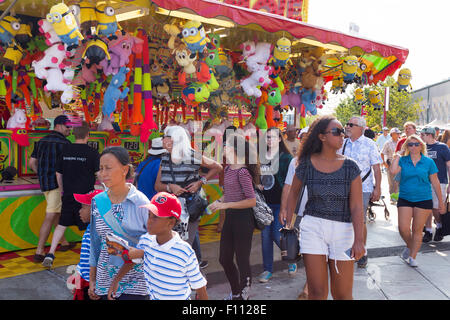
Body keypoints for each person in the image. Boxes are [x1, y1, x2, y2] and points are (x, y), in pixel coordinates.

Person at [286, 116, 365, 300]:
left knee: (343, 295)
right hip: (312, 228)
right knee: (317, 293)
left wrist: (359, 240)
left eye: (343, 132)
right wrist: (289, 222)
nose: (342, 136)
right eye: (337, 132)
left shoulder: (350, 167)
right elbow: (293, 192)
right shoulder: (306, 164)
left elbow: (356, 207)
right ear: (322, 137)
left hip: (344, 231)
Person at [109, 192, 208, 300]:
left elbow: (199, 287)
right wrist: (116, 280)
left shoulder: (184, 252)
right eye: (149, 215)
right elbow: (134, 259)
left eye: (155, 217)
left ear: (170, 223)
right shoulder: (146, 240)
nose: (149, 221)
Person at [88, 146, 150, 300]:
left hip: (135, 281)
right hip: (104, 279)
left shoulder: (140, 202)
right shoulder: (98, 201)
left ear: (124, 170)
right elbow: (95, 243)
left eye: (108, 168)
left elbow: (153, 243)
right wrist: (92, 279)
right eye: (101, 169)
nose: (103, 174)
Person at [208, 133, 259, 300]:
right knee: (224, 258)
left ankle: (244, 294)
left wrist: (226, 205)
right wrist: (218, 202)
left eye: (225, 146)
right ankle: (236, 291)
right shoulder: (229, 168)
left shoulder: (243, 172)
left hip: (244, 219)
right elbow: (229, 193)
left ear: (234, 150)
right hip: (231, 217)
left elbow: (251, 201)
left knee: (242, 258)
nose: (222, 149)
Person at [42, 122, 100, 268]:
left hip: (68, 194)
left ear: (74, 134)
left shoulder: (65, 149)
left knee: (62, 224)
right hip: (86, 197)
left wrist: (63, 191)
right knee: (91, 226)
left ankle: (51, 253)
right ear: (88, 135)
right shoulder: (92, 153)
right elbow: (99, 174)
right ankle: (93, 257)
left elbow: (58, 173)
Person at [154, 125, 222, 245]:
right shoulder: (164, 158)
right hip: (169, 211)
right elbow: (157, 186)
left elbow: (217, 167)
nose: (163, 139)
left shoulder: (193, 156)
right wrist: (170, 187)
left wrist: (200, 182)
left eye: (165, 136)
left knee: (184, 246)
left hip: (190, 209)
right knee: (168, 245)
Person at [390, 135, 445, 268]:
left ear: (421, 146)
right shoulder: (403, 160)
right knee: (403, 229)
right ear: (406, 147)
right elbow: (393, 171)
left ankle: (413, 256)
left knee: (417, 229)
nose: (413, 147)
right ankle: (410, 246)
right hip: (405, 197)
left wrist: (441, 202)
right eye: (410, 144)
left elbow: (435, 182)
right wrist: (398, 155)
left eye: (416, 144)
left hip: (424, 199)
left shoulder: (428, 162)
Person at [29, 114, 73, 262]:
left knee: (55, 212)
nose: (70, 130)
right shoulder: (66, 144)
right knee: (50, 216)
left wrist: (41, 174)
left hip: (45, 184)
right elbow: (66, 169)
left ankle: (64, 242)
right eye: (68, 127)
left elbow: (32, 163)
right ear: (59, 125)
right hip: (57, 185)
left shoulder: (41, 141)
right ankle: (40, 251)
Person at [339, 116, 382, 268]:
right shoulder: (342, 143)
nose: (347, 126)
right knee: (345, 219)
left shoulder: (370, 144)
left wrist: (378, 188)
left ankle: (361, 251)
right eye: (347, 123)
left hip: (364, 188)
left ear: (361, 128)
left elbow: (376, 168)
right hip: (343, 189)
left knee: (359, 220)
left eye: (351, 124)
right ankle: (347, 248)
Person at [258, 127, 296, 283]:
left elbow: (291, 183)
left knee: (275, 234)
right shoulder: (260, 156)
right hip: (264, 204)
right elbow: (256, 175)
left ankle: (291, 257)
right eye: (267, 137)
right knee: (265, 237)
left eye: (273, 137)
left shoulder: (287, 158)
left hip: (280, 203)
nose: (269, 140)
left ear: (280, 139)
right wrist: (257, 184)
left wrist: (287, 206)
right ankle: (267, 270)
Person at [279, 154, 309, 300]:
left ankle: (308, 287)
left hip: (319, 214)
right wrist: (284, 209)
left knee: (313, 252)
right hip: (298, 211)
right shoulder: (296, 161)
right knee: (299, 248)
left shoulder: (330, 159)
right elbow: (288, 186)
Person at [71, 189, 104, 300]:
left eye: (84, 207)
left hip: (92, 284)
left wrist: (94, 283)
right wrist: (77, 276)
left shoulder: (98, 233)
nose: (80, 211)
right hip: (85, 280)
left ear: (95, 210)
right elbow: (84, 259)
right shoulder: (90, 228)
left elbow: (99, 261)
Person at [420, 127, 450, 242]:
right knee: (426, 207)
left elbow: (449, 166)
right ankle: (428, 230)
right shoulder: (421, 147)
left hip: (440, 181)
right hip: (424, 182)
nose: (421, 137)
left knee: (436, 208)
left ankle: (439, 225)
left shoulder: (442, 147)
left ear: (429, 135)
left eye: (422, 134)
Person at [381, 127, 401, 202]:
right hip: (391, 164)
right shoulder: (388, 143)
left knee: (399, 181)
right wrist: (384, 162)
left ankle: (399, 196)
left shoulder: (401, 142)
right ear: (392, 134)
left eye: (399, 133)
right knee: (392, 182)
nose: (398, 134)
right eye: (397, 133)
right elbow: (382, 153)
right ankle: (392, 197)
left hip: (400, 165)